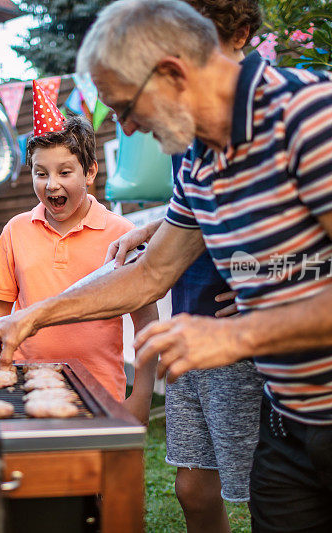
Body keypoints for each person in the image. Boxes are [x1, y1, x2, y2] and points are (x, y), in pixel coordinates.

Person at [0, 0, 332, 530]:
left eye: (126, 107)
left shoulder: (311, 115)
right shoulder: (198, 156)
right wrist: (30, 317)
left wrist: (240, 336)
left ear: (173, 72)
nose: (127, 129)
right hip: (292, 420)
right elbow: (149, 274)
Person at [105, 1, 265, 530]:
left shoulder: (275, 117)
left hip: (246, 337)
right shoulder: (182, 128)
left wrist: (269, 283)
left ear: (241, 35)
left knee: (269, 489)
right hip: (189, 316)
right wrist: (158, 227)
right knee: (194, 487)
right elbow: (195, 207)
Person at [0, 83, 159, 422]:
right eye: (40, 173)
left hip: (101, 392)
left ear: (90, 171)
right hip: (26, 386)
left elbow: (145, 320)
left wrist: (142, 392)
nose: (51, 185)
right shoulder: (15, 231)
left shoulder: (122, 234)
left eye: (65, 172)